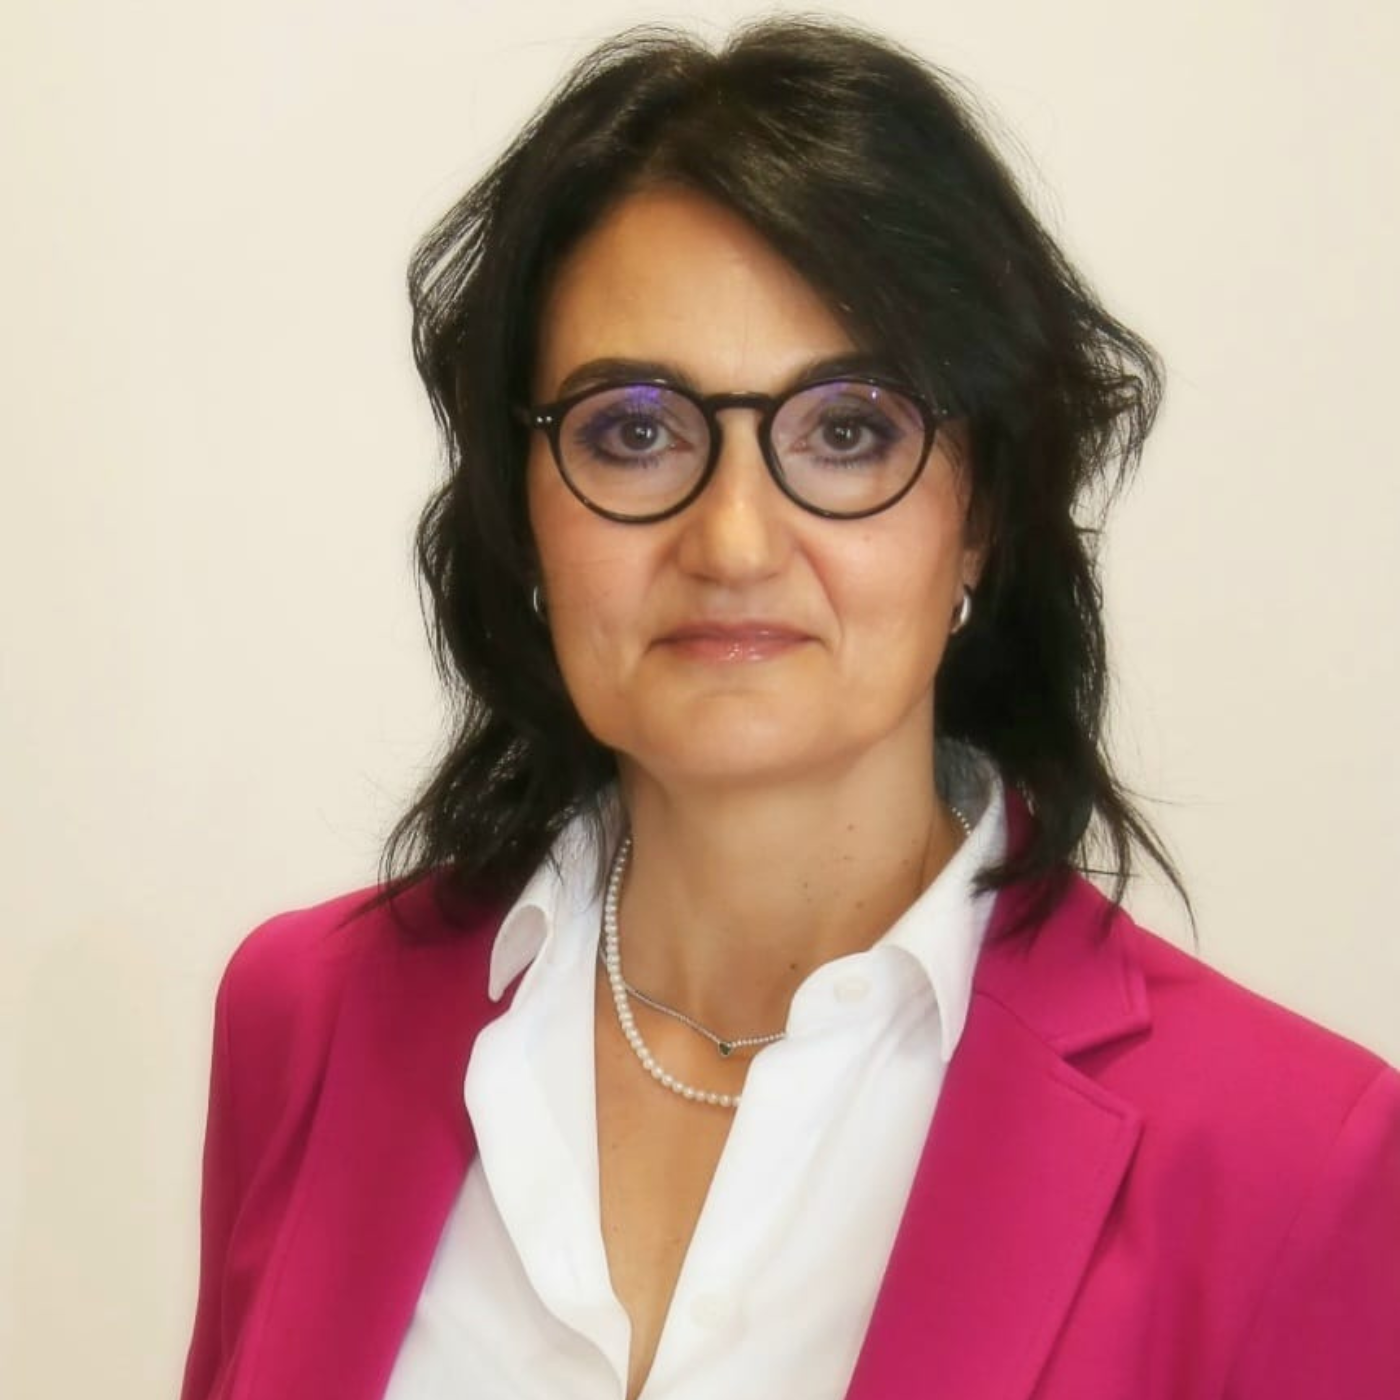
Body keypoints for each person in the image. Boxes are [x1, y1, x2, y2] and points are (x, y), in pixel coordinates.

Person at [179, 18, 1400, 1400]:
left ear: (984, 512)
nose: (736, 541)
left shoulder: (1291, 1160)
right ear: (521, 510)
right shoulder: (303, 1018)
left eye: (848, 430)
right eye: (635, 430)